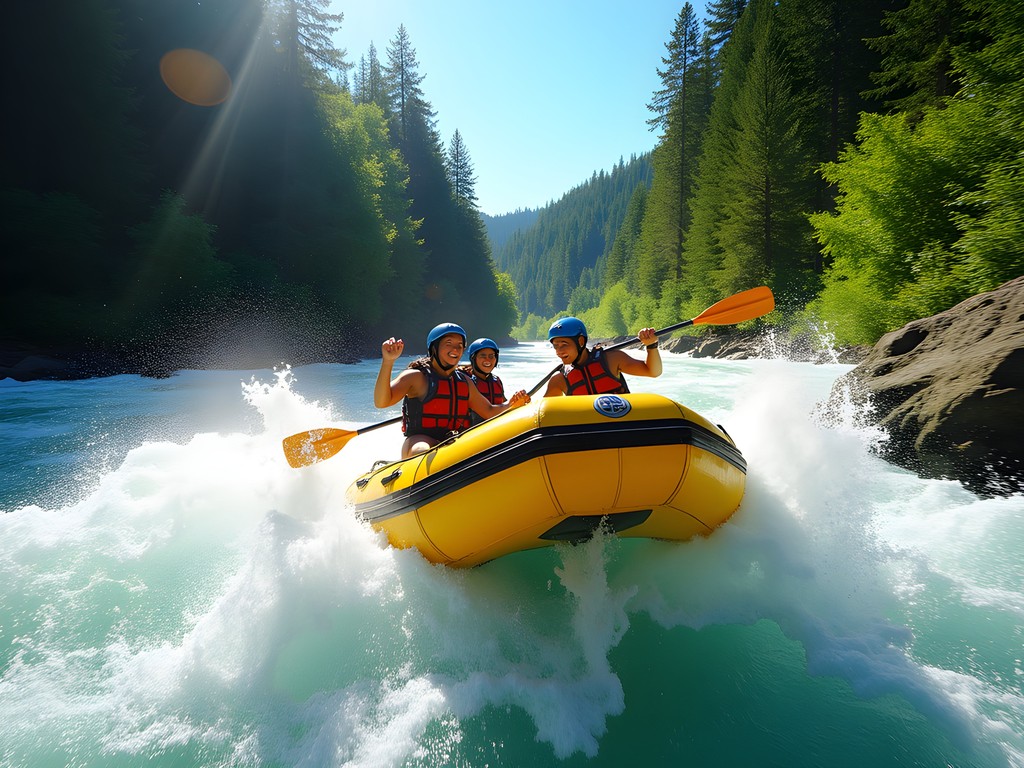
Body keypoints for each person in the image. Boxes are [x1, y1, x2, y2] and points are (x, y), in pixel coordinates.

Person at [375, 323, 531, 458]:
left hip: (454, 440)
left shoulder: (464, 382)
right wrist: (388, 362)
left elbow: (489, 410)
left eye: (459, 345)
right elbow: (382, 402)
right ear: (434, 347)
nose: (455, 348)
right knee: (421, 450)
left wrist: (512, 404)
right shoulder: (416, 377)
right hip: (420, 439)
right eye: (448, 343)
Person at [543, 316, 662, 397]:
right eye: (555, 346)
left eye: (564, 344)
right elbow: (542, 414)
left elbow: (653, 371)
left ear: (580, 341)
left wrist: (651, 346)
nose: (559, 351)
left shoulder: (612, 360)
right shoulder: (558, 380)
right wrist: (524, 403)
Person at [459, 338, 507, 425]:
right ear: (474, 359)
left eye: (491, 356)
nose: (488, 360)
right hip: (472, 433)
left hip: (496, 430)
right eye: (483, 356)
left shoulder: (497, 381)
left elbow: (504, 403)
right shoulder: (466, 381)